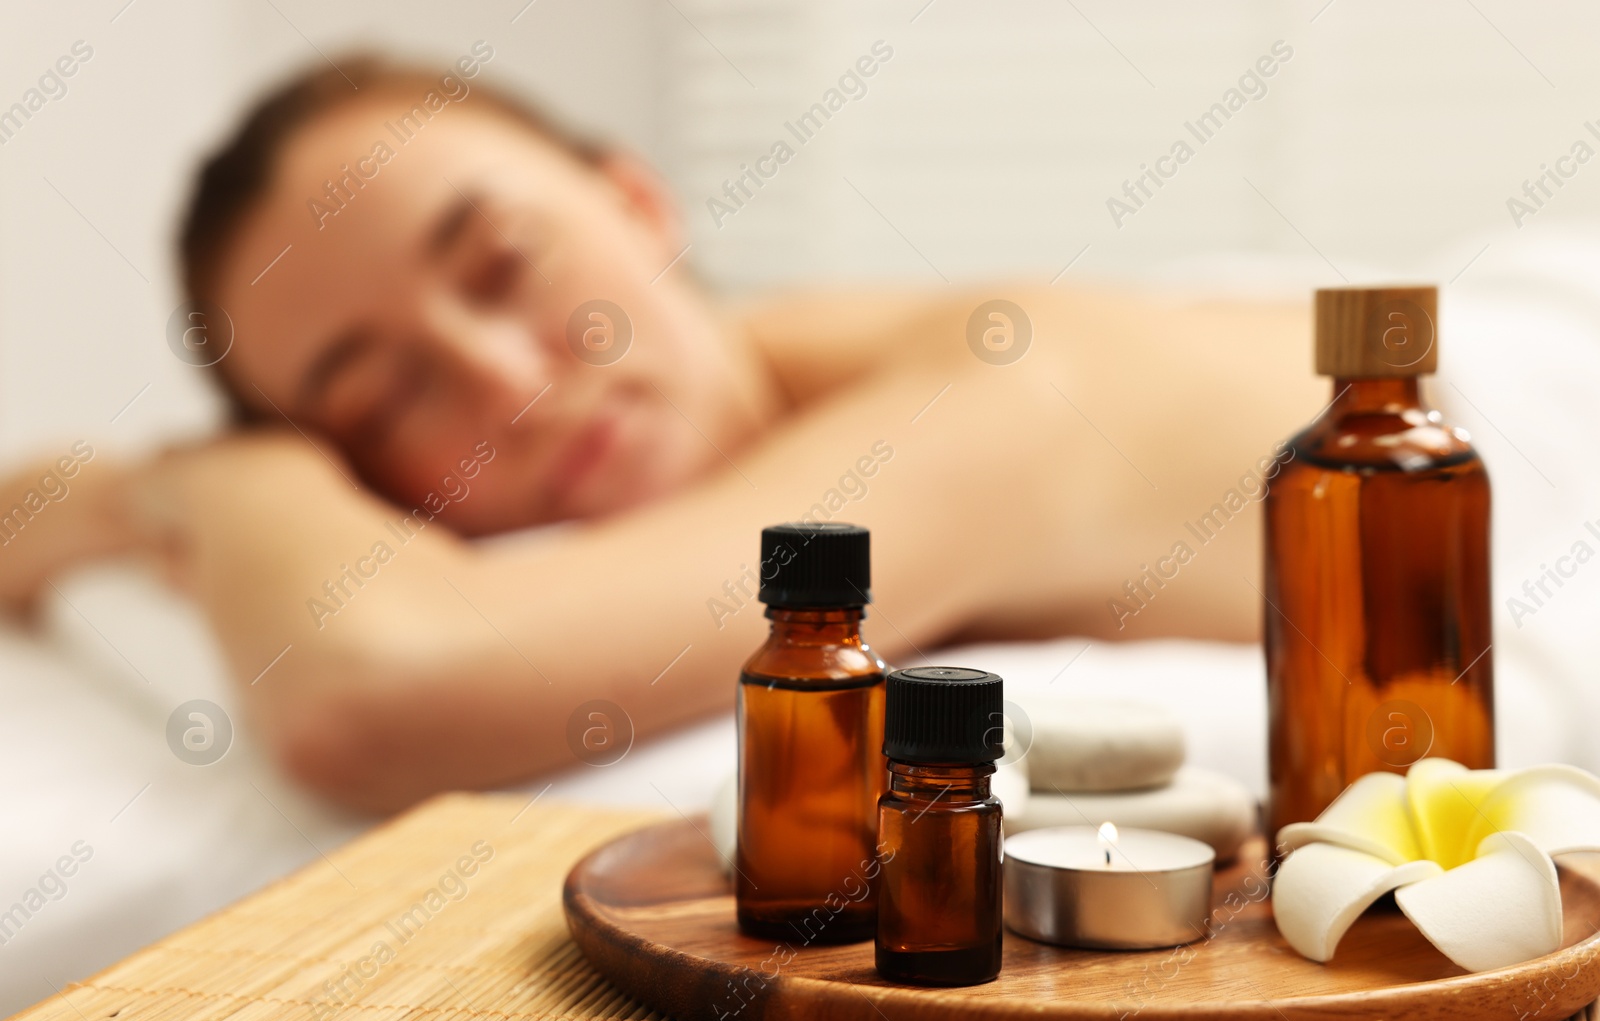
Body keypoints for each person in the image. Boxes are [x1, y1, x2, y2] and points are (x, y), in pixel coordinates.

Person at [0, 55, 1324, 812]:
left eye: (506, 260)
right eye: (380, 401)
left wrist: (194, 485)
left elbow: (379, 683)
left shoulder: (1018, 391)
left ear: (639, 201)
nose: (506, 378)